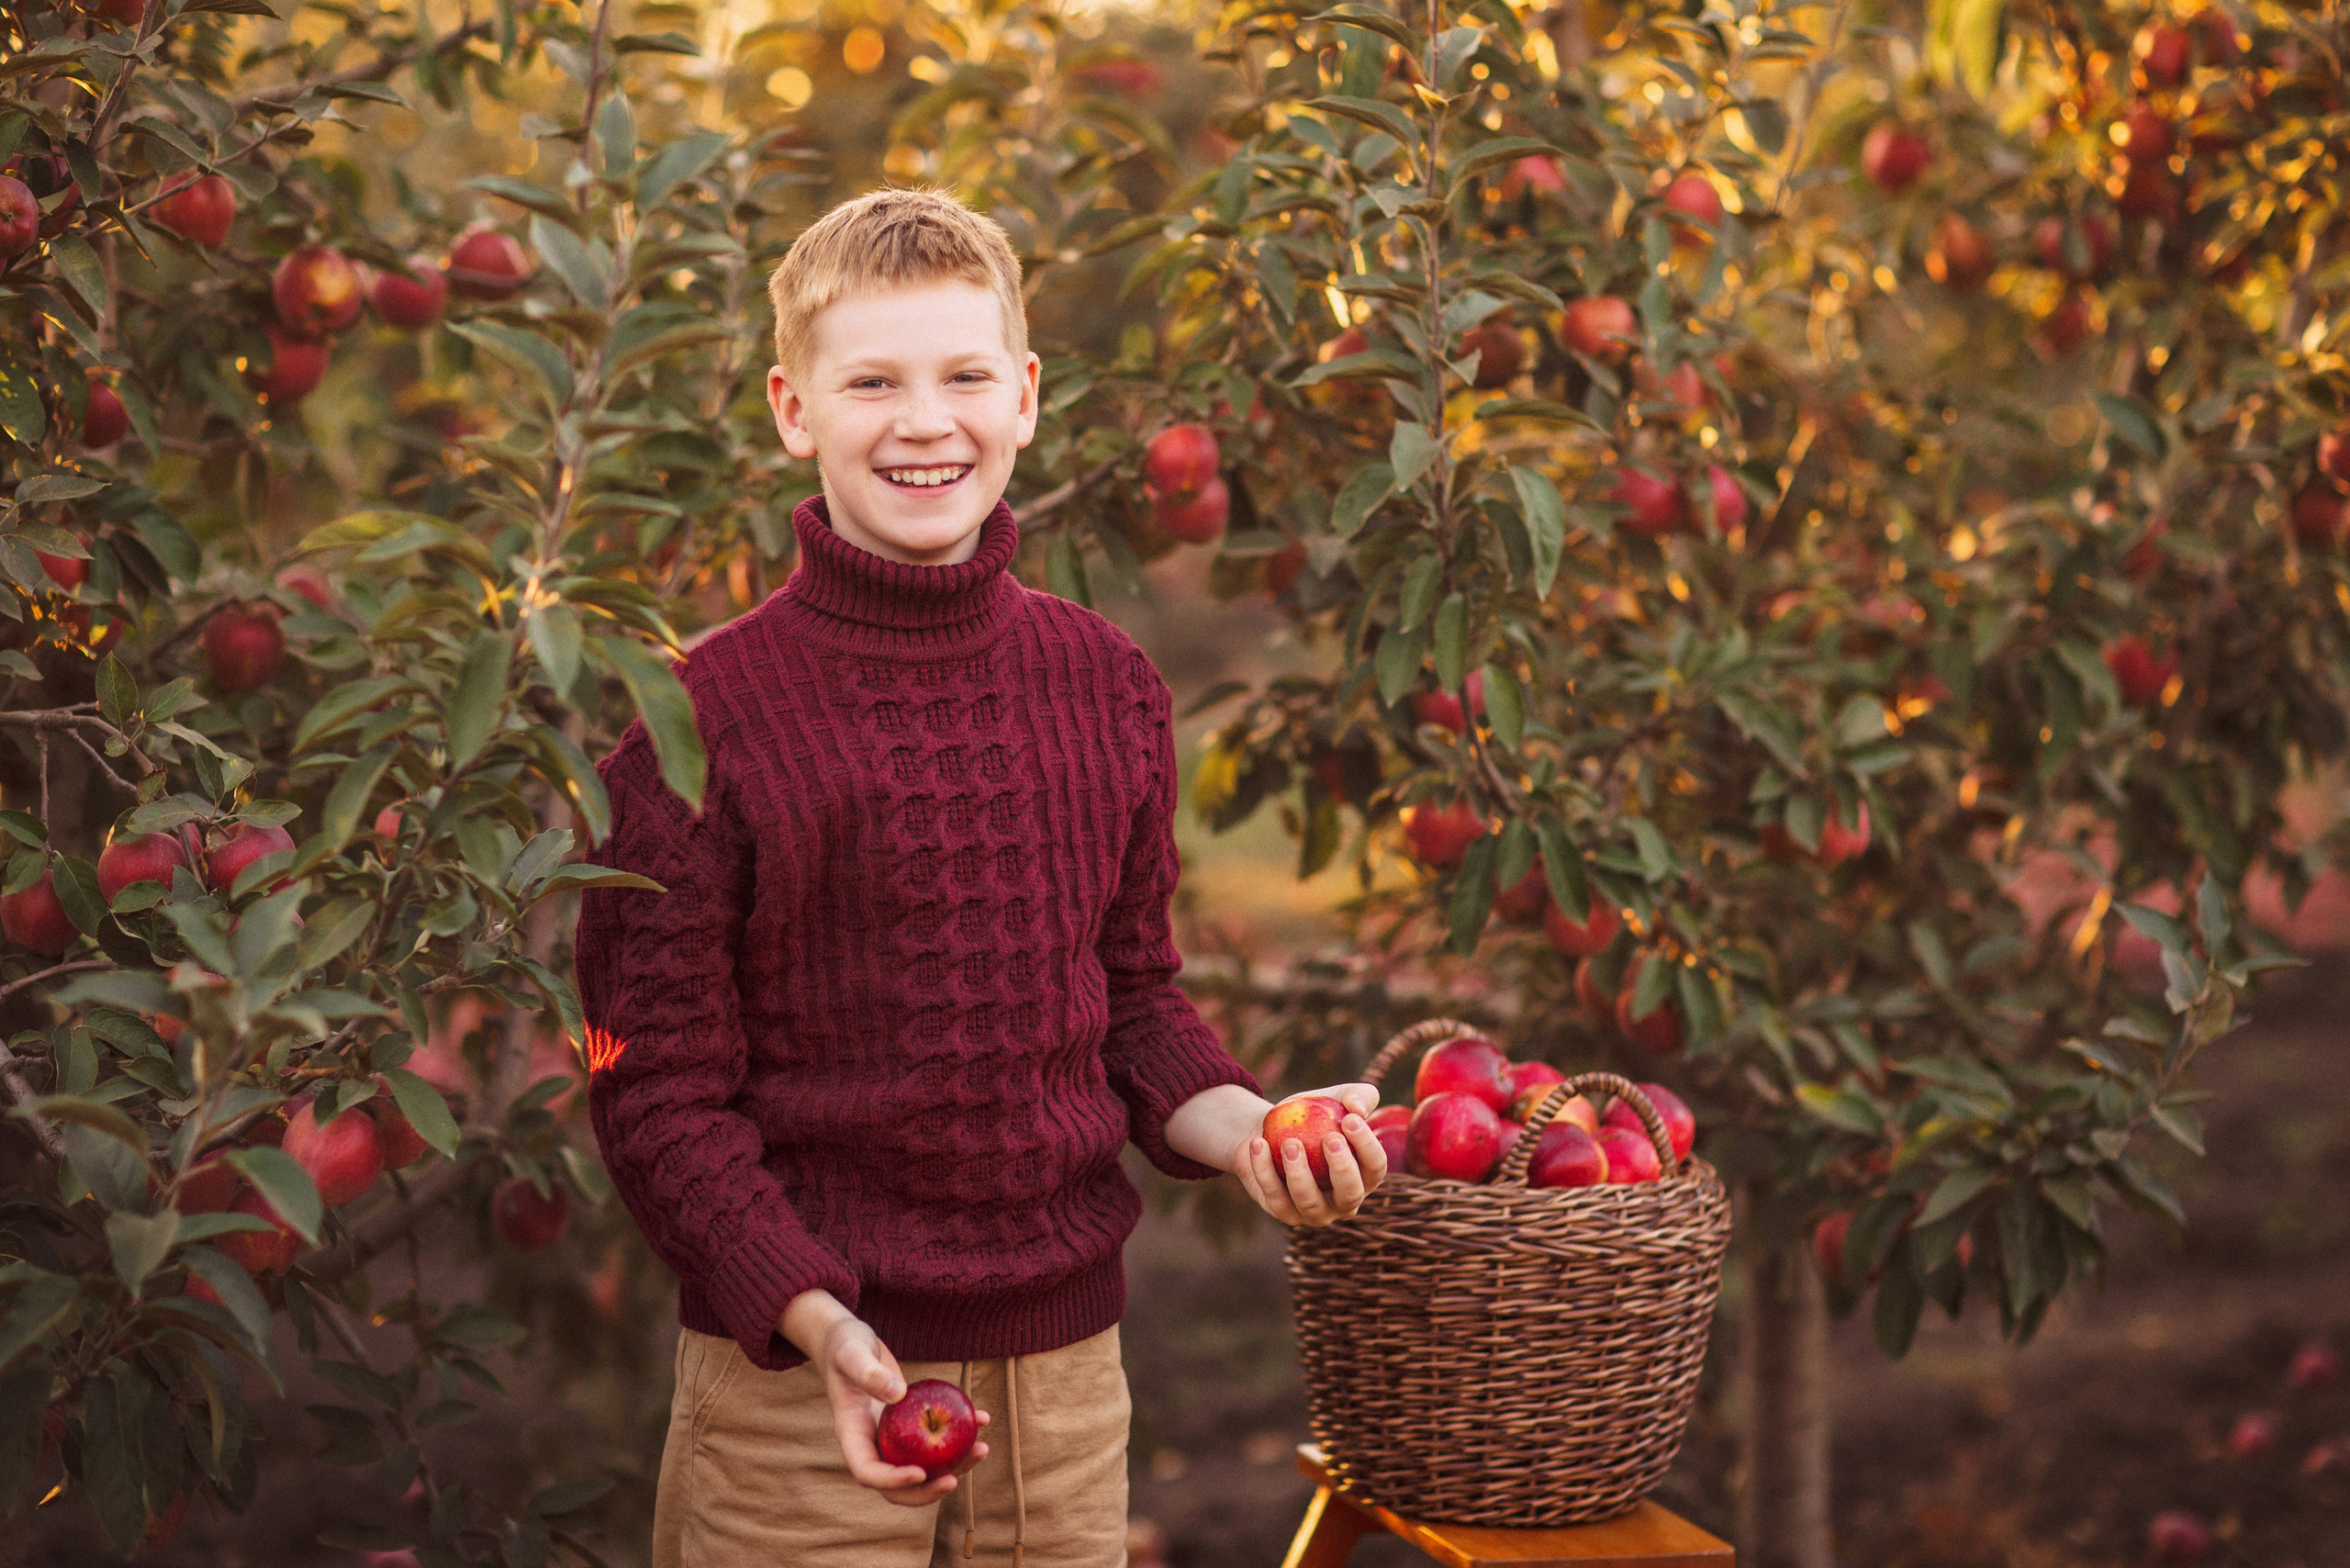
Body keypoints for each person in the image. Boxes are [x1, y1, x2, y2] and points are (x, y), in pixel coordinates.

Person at [575, 186, 1390, 1568]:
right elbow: (653, 1093)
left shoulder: (1106, 684)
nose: (924, 422)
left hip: (1066, 1388)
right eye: (871, 383)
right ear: (792, 409)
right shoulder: (695, 725)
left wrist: (1262, 1132)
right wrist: (815, 1317)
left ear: (1025, 397)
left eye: (963, 376)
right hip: (799, 1386)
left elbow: (1132, 1003)